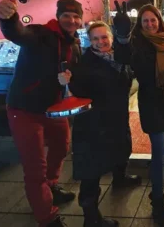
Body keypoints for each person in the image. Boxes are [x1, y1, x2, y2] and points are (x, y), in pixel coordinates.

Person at [0, 0, 81, 227]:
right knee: (35, 167)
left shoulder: (74, 43)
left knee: (62, 146)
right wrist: (9, 18)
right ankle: (47, 216)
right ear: (58, 16)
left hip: (52, 108)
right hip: (24, 109)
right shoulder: (41, 33)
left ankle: (51, 186)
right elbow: (18, 33)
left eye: (76, 16)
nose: (72, 20)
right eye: (66, 15)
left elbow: (77, 72)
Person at [115, 3, 164, 227]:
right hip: (151, 103)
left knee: (162, 143)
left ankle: (161, 163)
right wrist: (121, 35)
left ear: (159, 20)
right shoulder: (136, 43)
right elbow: (122, 57)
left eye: (153, 20)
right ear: (139, 25)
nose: (150, 24)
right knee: (158, 151)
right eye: (145, 21)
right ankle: (158, 202)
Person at [58, 20, 141, 227]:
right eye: (95, 38)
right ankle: (91, 218)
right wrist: (66, 82)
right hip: (93, 126)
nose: (100, 41)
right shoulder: (85, 64)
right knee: (91, 172)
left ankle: (119, 179)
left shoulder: (118, 57)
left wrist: (124, 37)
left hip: (116, 118)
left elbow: (130, 60)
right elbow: (77, 91)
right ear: (90, 41)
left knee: (122, 149)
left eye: (104, 37)